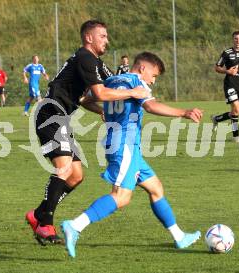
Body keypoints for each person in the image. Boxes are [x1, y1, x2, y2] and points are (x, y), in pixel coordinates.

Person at [61, 52, 204, 258]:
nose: (153, 81)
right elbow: (150, 105)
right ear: (143, 68)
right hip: (124, 146)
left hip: (125, 146)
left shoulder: (111, 80)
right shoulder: (137, 83)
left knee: (155, 187)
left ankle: (179, 236)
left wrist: (102, 110)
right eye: (153, 76)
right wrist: (183, 112)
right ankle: (75, 225)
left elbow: (85, 99)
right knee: (122, 196)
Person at [24, 20, 148, 245]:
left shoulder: (95, 63)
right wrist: (133, 92)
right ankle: (45, 223)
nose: (107, 40)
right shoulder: (85, 57)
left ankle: (38, 214)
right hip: (50, 115)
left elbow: (88, 97)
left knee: (76, 175)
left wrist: (103, 109)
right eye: (103, 36)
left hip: (61, 118)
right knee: (63, 169)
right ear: (89, 38)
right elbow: (100, 92)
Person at [212, 31, 239, 143]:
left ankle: (217, 118)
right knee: (236, 109)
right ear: (232, 40)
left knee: (236, 112)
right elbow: (217, 67)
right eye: (236, 38)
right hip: (230, 84)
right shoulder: (227, 53)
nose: (238, 41)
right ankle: (236, 137)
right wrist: (227, 71)